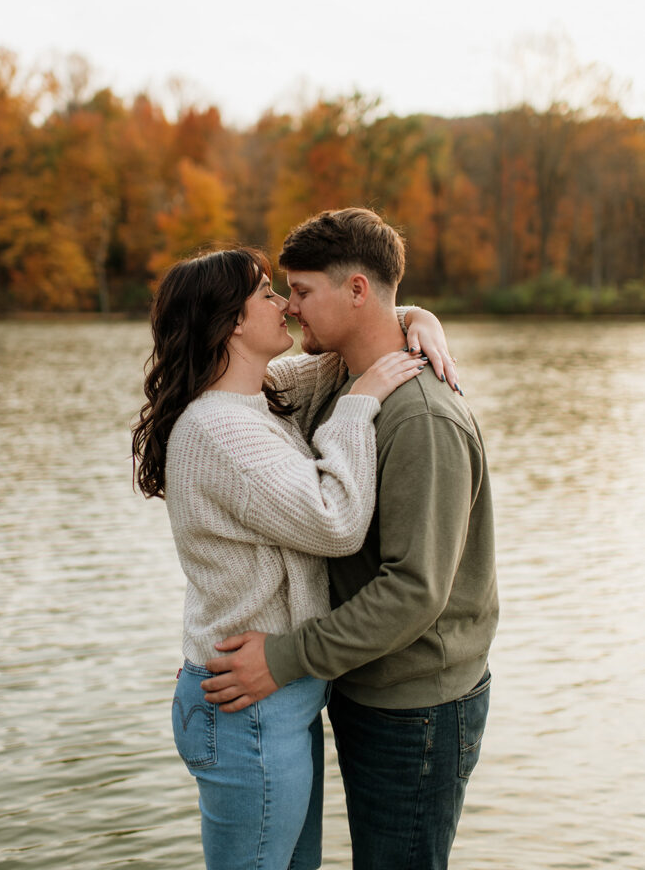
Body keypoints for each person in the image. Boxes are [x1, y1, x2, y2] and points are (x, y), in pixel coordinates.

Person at [131, 245, 457, 870]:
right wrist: (360, 407)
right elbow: (335, 523)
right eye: (266, 295)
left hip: (274, 693)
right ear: (231, 322)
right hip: (246, 704)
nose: (284, 304)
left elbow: (356, 346)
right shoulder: (219, 430)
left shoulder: (259, 394)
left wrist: (418, 317)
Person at [202, 210, 499, 870]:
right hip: (362, 683)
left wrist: (282, 657)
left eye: (302, 292)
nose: (291, 308)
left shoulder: (420, 417)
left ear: (358, 291)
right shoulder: (335, 377)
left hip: (418, 705)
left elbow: (414, 591)